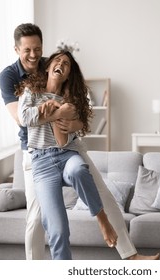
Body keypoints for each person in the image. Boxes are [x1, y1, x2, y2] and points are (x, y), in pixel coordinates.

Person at [0, 23, 160, 260]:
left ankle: (130, 255)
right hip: (35, 152)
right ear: (16, 50)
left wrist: (72, 120)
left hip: (68, 148)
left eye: (38, 49)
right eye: (27, 50)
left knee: (102, 193)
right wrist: (57, 112)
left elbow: (78, 117)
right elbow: (21, 119)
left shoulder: (51, 64)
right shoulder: (11, 77)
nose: (34, 55)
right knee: (37, 218)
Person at [16, 50, 119, 259]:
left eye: (66, 64)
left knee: (79, 169)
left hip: (66, 155)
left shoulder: (69, 101)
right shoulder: (31, 92)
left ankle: (102, 219)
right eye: (58, 60)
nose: (61, 64)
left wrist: (56, 110)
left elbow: (62, 141)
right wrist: (57, 113)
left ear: (67, 75)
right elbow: (25, 117)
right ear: (48, 67)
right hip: (41, 162)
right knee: (57, 230)